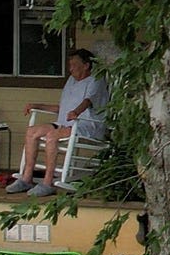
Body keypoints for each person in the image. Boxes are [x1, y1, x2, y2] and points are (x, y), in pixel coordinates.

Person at [10, 48, 109, 196]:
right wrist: (37, 105)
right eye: (70, 64)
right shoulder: (71, 81)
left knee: (52, 136)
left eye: (74, 64)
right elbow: (62, 108)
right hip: (66, 123)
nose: (70, 68)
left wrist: (76, 112)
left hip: (87, 125)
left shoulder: (96, 80)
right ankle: (26, 178)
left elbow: (87, 101)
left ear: (86, 65)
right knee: (32, 132)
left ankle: (47, 182)